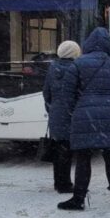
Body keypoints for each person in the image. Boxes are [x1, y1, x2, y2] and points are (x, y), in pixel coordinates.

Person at [58, 27, 110, 211]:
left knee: (83, 157)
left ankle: (78, 198)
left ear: (88, 44)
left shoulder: (78, 64)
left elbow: (66, 94)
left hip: (84, 116)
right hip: (109, 116)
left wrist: (75, 111)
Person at [43, 40, 81, 194]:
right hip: (71, 113)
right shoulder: (76, 68)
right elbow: (78, 92)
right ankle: (65, 184)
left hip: (56, 113)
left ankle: (58, 182)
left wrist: (52, 108)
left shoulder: (52, 67)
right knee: (67, 150)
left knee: (58, 148)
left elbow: (46, 92)